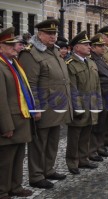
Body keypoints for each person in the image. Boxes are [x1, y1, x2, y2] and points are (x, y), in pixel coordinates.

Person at [18, 19, 72, 189]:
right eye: (49, 33)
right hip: (44, 106)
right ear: (39, 35)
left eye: (54, 33)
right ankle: (36, 175)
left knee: (53, 141)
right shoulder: (31, 54)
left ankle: (48, 169)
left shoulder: (54, 51)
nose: (53, 36)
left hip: (57, 105)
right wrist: (35, 108)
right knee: (38, 143)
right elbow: (30, 84)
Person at [0, 27, 34, 199]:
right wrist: (6, 125)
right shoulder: (1, 66)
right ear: (0, 47)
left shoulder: (14, 64)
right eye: (10, 44)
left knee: (19, 156)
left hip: (21, 119)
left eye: (16, 44)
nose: (16, 47)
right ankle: (3, 190)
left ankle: (16, 186)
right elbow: (1, 100)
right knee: (5, 160)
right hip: (10, 122)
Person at [65, 31, 102, 174]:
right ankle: (72, 162)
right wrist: (77, 109)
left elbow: (97, 86)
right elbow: (72, 89)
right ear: (76, 47)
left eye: (89, 44)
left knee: (86, 135)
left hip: (91, 105)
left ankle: (83, 159)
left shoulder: (91, 62)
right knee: (74, 137)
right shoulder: (70, 64)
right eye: (85, 44)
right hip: (79, 107)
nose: (89, 47)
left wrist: (98, 104)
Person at [89, 33, 108, 160]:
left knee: (103, 124)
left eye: (103, 45)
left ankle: (100, 146)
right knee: (96, 125)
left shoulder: (101, 58)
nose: (103, 48)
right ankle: (93, 150)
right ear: (93, 47)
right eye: (100, 46)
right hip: (99, 95)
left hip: (107, 96)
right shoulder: (92, 60)